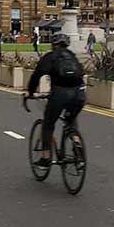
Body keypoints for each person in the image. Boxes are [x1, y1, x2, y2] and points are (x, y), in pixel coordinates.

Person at [25, 34, 85, 167]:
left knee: (48, 124)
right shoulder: (72, 56)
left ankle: (45, 158)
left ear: (53, 45)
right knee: (70, 119)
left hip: (60, 94)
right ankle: (76, 143)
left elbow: (36, 76)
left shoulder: (50, 57)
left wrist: (30, 92)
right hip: (79, 94)